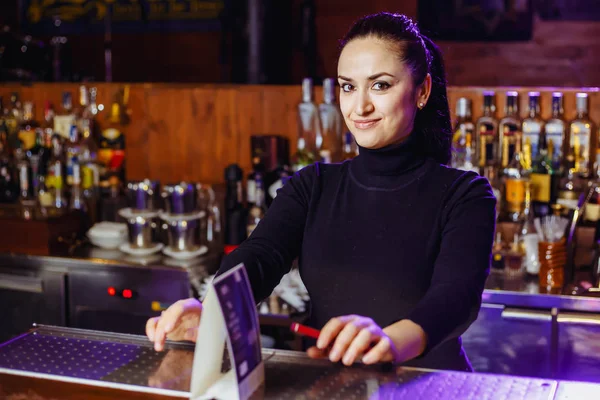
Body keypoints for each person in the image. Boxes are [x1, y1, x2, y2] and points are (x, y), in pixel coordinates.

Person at [146, 12, 496, 372]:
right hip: (334, 386)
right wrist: (213, 309)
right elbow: (261, 255)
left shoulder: (465, 195)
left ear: (422, 91)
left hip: (430, 387)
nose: (360, 107)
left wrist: (391, 342)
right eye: (348, 86)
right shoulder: (313, 185)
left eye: (380, 85)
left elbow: (456, 297)